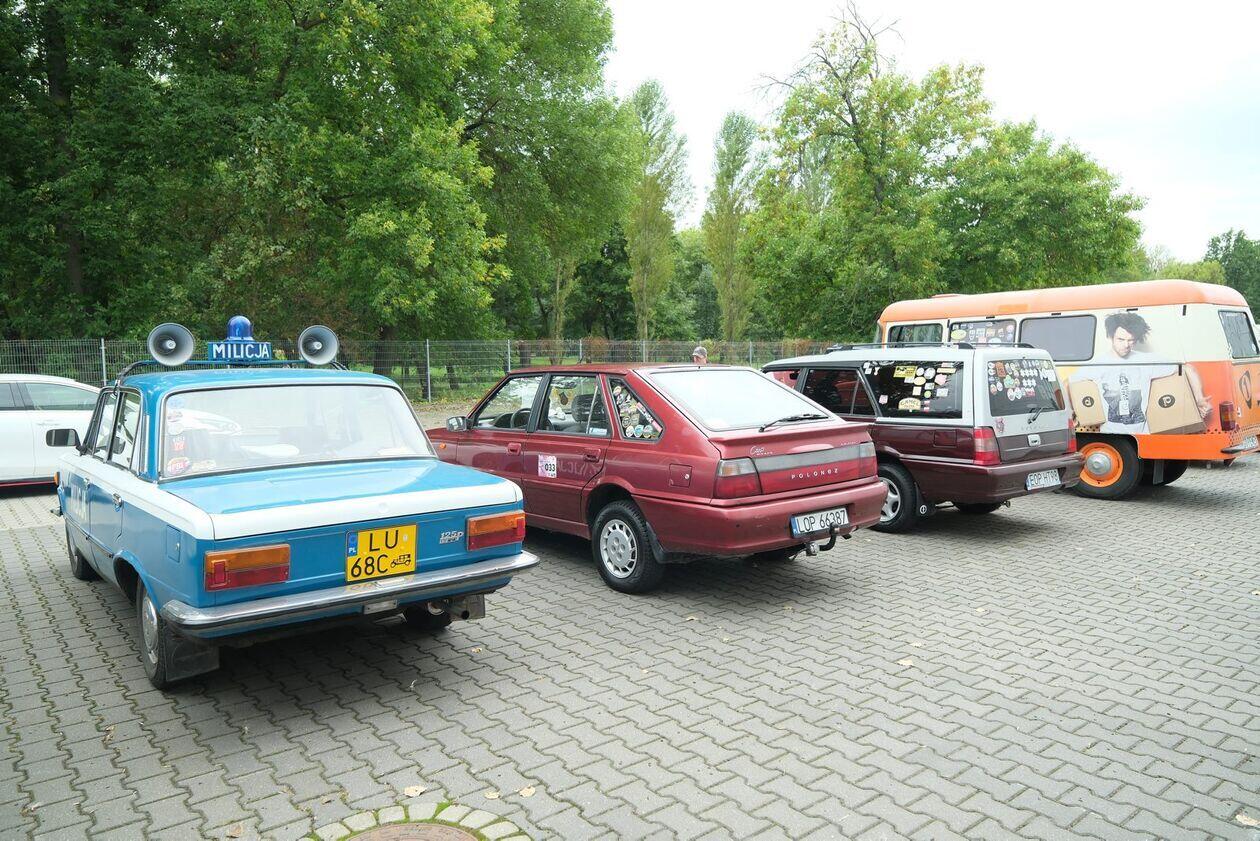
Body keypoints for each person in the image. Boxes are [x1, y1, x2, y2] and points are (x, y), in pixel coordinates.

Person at [1069, 311, 1211, 433]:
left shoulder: (1146, 361)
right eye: (1121, 339)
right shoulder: (1098, 364)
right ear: (1111, 337)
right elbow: (1069, 382)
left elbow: (1187, 369)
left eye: (1131, 340)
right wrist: (1071, 412)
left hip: (1143, 435)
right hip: (1111, 435)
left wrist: (1199, 399)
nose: (1126, 345)